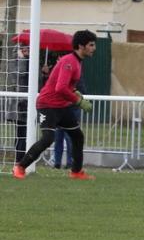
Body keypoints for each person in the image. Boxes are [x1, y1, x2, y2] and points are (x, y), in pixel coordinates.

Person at [12, 30, 98, 180]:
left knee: (77, 136)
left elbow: (66, 85)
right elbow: (60, 88)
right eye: (91, 45)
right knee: (48, 138)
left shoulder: (77, 61)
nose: (94, 48)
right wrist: (78, 101)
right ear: (81, 46)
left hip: (61, 106)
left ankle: (76, 172)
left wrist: (75, 92)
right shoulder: (69, 61)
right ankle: (20, 167)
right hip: (48, 105)